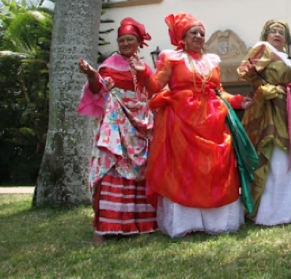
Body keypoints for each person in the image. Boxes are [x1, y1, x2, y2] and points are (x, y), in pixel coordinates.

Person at [132, 13, 245, 238]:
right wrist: (143, 72)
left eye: (202, 33)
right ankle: (186, 224)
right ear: (182, 37)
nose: (199, 36)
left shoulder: (212, 61)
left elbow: (219, 92)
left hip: (213, 123)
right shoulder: (171, 58)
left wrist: (240, 101)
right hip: (180, 124)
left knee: (215, 169)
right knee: (184, 171)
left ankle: (216, 222)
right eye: (194, 32)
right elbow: (155, 86)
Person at [77, 17, 157, 245]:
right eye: (122, 40)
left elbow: (153, 90)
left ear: (139, 43)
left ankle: (141, 224)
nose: (125, 43)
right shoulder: (108, 64)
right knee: (113, 165)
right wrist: (93, 76)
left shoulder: (144, 66)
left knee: (140, 170)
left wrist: (144, 73)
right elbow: (97, 89)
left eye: (130, 39)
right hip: (116, 125)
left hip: (140, 124)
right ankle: (104, 227)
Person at [238, 19, 291, 225]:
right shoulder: (262, 49)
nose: (277, 34)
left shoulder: (286, 58)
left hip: (290, 109)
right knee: (277, 157)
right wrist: (271, 91)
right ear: (266, 35)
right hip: (270, 111)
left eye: (281, 32)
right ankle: (271, 212)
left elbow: (288, 85)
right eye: (273, 31)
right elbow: (248, 74)